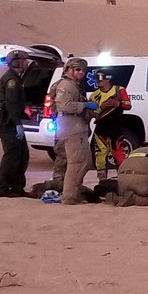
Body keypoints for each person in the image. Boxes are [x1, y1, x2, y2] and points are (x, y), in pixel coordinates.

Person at [38, 56, 97, 204]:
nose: (81, 73)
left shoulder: (74, 85)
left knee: (84, 161)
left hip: (76, 127)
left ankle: (72, 194)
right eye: (77, 69)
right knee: (76, 162)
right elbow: (65, 106)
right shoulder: (66, 85)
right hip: (71, 128)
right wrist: (84, 106)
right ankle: (70, 196)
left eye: (83, 70)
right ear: (68, 70)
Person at [0, 50, 33, 198]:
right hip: (8, 122)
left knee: (22, 154)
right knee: (12, 155)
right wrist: (17, 124)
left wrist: (25, 110)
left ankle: (16, 187)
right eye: (24, 60)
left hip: (11, 121)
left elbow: (16, 103)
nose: (26, 63)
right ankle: (2, 188)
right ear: (17, 62)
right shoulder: (12, 81)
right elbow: (10, 104)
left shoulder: (16, 79)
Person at [91, 69, 133, 173]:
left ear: (108, 78)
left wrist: (118, 104)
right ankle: (102, 179)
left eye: (100, 78)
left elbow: (128, 106)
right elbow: (92, 114)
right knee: (100, 155)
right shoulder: (94, 95)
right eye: (96, 78)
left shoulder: (119, 90)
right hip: (101, 128)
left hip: (116, 127)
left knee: (119, 153)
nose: (98, 81)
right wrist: (101, 107)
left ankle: (122, 177)